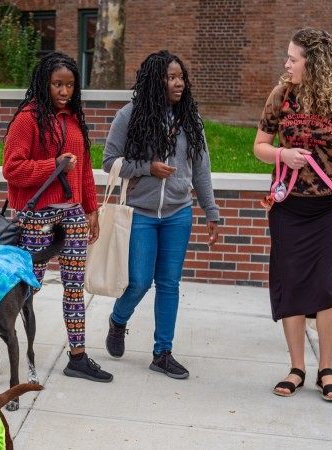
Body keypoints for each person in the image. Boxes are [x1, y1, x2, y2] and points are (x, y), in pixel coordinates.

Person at [253, 28, 332, 402]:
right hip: (288, 206)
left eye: (293, 58)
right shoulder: (282, 95)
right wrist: (281, 155)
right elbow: (259, 146)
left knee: (328, 287)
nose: (287, 65)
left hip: (330, 207)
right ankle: (297, 366)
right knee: (292, 284)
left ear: (314, 62)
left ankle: (327, 368)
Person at [101, 50, 221, 380]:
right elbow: (109, 161)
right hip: (140, 213)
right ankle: (118, 319)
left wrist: (211, 211)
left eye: (181, 76)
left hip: (178, 214)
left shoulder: (190, 120)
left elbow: (202, 170)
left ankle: (162, 351)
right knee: (139, 282)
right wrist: (147, 168)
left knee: (168, 283)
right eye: (171, 77)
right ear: (156, 80)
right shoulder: (130, 115)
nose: (179, 82)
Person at [1, 52, 112, 383]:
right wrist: (54, 165)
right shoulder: (28, 119)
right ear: (44, 83)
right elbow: (12, 169)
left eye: (70, 85)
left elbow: (86, 172)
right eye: (57, 84)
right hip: (38, 218)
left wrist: (91, 210)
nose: (64, 91)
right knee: (26, 288)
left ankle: (77, 356)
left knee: (75, 288)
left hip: (73, 217)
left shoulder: (74, 119)